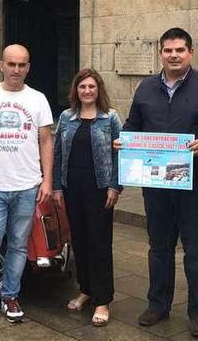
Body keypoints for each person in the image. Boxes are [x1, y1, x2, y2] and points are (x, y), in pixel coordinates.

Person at [116, 27, 198, 338]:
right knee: (159, 247)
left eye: (180, 50)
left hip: (197, 184)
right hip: (156, 184)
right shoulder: (146, 89)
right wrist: (124, 141)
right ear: (161, 53)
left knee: (197, 249)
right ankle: (158, 305)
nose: (174, 55)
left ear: (190, 53)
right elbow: (134, 124)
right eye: (168, 50)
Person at [0, 44, 54, 327]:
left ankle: (10, 296)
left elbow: (46, 141)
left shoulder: (38, 99)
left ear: (28, 68)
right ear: (1, 65)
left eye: (22, 65)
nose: (16, 69)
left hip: (27, 186)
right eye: (12, 64)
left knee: (18, 245)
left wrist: (47, 180)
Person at [52, 68, 122, 327]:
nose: (87, 91)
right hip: (73, 188)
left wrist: (115, 186)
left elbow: (119, 154)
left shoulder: (110, 117)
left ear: (98, 89)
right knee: (79, 241)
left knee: (99, 242)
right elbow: (58, 154)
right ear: (76, 90)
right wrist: (57, 187)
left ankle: (102, 300)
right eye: (82, 87)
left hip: (100, 188)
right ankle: (86, 290)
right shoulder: (67, 117)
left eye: (92, 86)